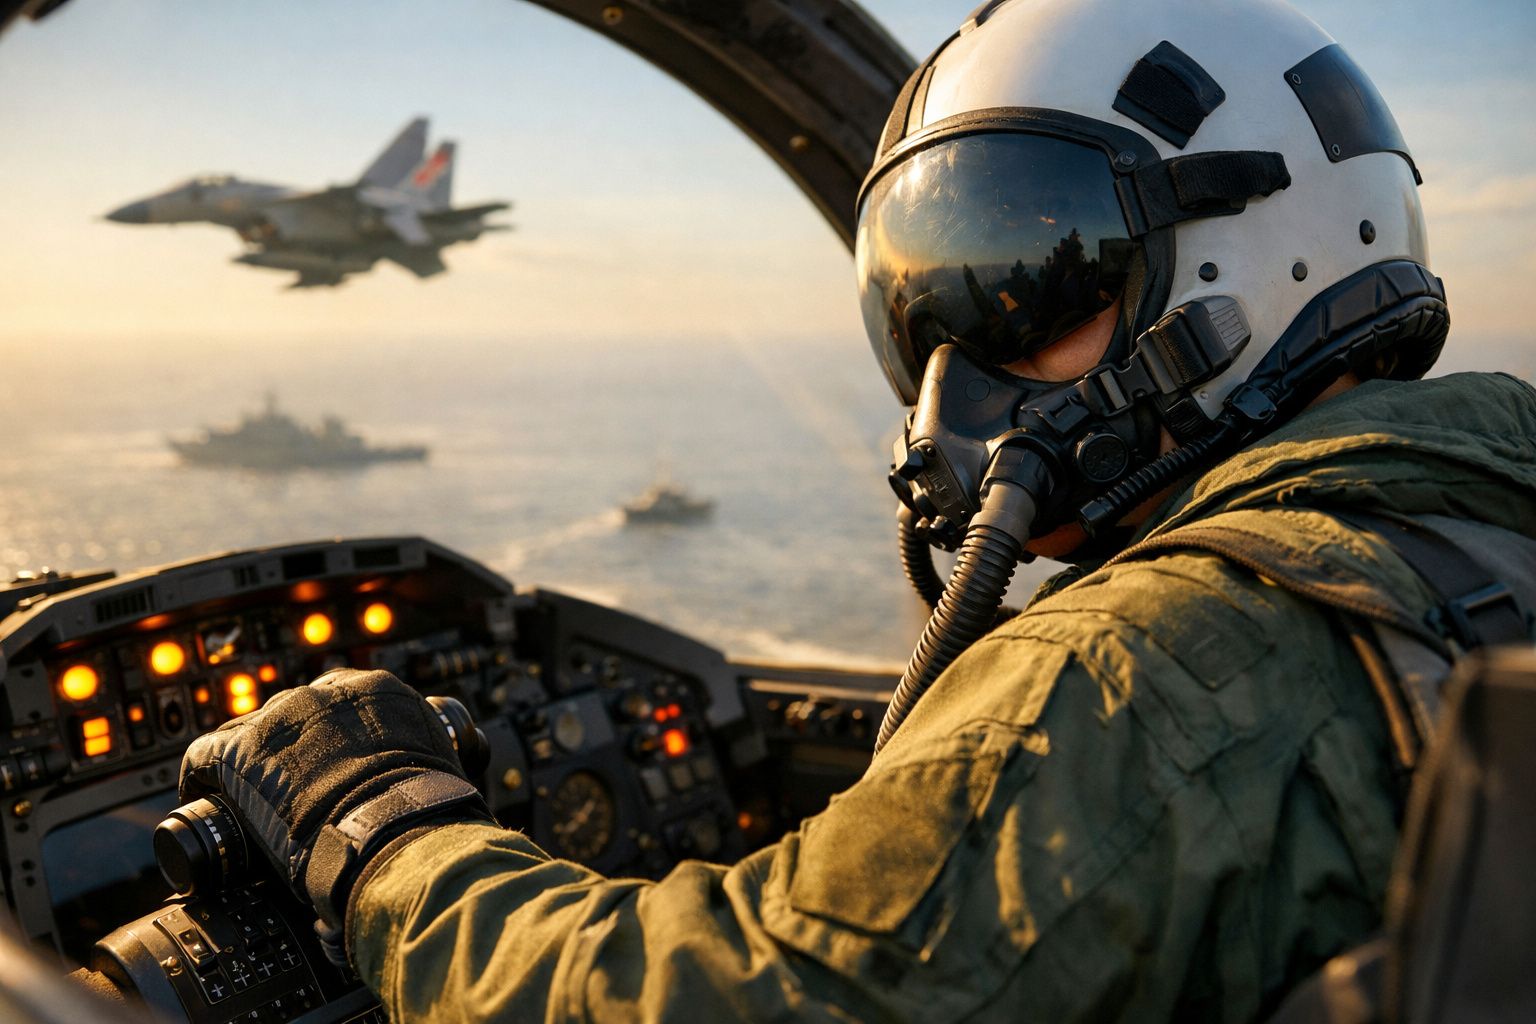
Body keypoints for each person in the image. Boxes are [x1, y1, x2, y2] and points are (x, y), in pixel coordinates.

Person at [179, 0, 1536, 1020]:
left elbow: (721, 1001)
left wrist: (375, 826)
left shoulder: (1145, 672)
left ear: (1263, 249)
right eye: (922, 318)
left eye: (1029, 286)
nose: (953, 383)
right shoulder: (1477, 523)